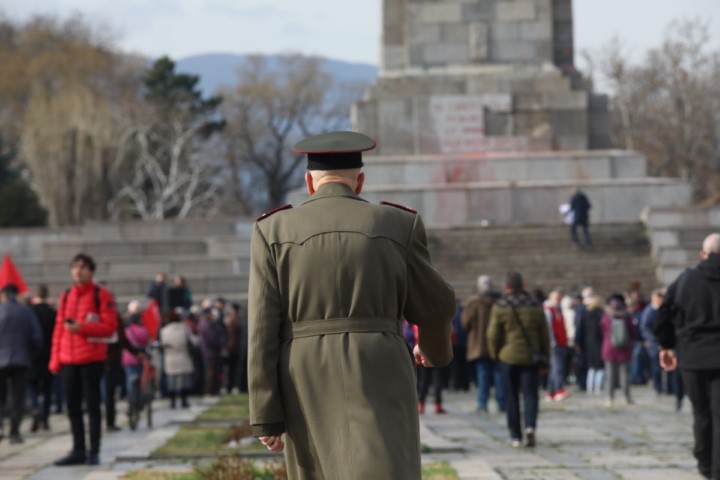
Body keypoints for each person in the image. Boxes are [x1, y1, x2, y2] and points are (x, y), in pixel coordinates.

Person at [248, 131, 456, 479]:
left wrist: (265, 414)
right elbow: (437, 305)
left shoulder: (272, 230)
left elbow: (261, 330)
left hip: (304, 370)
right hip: (380, 361)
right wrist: (433, 350)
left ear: (309, 183)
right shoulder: (398, 224)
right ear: (359, 182)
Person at [655, 233, 720, 480]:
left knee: (701, 413)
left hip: (694, 358)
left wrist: (667, 346)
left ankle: (705, 463)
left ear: (703, 254)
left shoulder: (685, 280)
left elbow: (664, 315)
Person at [49, 253, 118, 466]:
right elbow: (59, 329)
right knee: (72, 407)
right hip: (68, 359)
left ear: (91, 271)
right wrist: (55, 358)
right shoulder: (66, 295)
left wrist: (82, 328)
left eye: (83, 267)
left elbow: (110, 326)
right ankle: (78, 450)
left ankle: (94, 450)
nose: (78, 271)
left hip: (91, 358)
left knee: (93, 406)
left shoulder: (101, 295)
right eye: (75, 267)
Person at [487, 272, 550, 448]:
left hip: (508, 357)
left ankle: (515, 435)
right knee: (530, 395)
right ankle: (530, 427)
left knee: (511, 397)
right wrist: (546, 358)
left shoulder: (500, 305)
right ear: (523, 285)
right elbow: (544, 335)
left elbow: (492, 335)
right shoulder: (535, 304)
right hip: (531, 357)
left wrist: (494, 354)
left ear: (506, 287)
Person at [0, 284, 42, 444]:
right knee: (18, 397)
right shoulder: (26, 312)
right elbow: (37, 339)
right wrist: (30, 356)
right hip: (22, 360)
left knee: (1, 396)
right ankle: (15, 431)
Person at [461, 275, 504, 413]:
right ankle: (501, 403)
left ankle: (482, 403)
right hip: (498, 343)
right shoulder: (499, 301)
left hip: (479, 344)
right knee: (498, 374)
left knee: (483, 374)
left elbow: (465, 323)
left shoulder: (473, 303)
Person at [29, 284, 56, 432]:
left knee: (33, 386)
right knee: (47, 388)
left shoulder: (30, 312)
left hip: (32, 355)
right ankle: (45, 418)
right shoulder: (53, 313)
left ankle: (34, 407)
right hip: (48, 355)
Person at [600, 295, 636, 408]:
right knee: (625, 375)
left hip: (609, 349)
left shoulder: (606, 317)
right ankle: (626, 397)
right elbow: (633, 331)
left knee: (610, 376)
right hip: (624, 349)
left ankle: (609, 398)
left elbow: (602, 330)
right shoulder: (627, 317)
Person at [160, 311, 198, 408]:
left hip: (170, 357)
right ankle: (184, 401)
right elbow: (193, 341)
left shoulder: (164, 331)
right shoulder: (184, 329)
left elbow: (162, 344)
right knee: (183, 381)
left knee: (171, 381)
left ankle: (172, 402)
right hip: (183, 356)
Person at [544, 289, 570, 401]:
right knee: (557, 367)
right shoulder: (548, 310)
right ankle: (558, 389)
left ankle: (552, 391)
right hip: (554, 344)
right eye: (556, 297)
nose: (558, 299)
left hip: (560, 342)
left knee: (555, 368)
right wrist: (552, 342)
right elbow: (548, 327)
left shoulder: (556, 309)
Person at [122, 312, 151, 410]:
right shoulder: (143, 330)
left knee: (130, 381)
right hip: (140, 357)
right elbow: (147, 342)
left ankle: (131, 400)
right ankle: (138, 401)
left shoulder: (126, 330)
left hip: (127, 359)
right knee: (140, 381)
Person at [583, 295, 605, 394]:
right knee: (600, 365)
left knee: (591, 365)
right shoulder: (601, 315)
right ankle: (598, 386)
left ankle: (589, 386)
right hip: (600, 341)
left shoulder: (587, 314)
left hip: (589, 341)